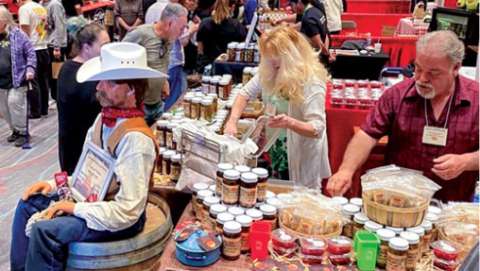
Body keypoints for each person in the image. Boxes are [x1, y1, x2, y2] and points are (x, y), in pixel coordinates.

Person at [10, 42, 166, 271]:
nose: (99, 87)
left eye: (109, 82)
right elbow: (87, 174)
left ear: (132, 89)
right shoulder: (102, 120)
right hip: (97, 199)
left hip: (119, 217)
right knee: (27, 204)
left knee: (46, 232)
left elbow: (127, 212)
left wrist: (75, 209)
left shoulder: (136, 141)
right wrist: (52, 186)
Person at [326, 30, 479, 202]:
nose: (422, 79)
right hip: (399, 201)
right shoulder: (397, 94)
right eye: (418, 68)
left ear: (456, 68)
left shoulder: (476, 99)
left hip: (452, 204)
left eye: (433, 73)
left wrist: (466, 161)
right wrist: (346, 170)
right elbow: (367, 134)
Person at [224, 26, 331, 188]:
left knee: (298, 195)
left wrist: (290, 123)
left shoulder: (312, 82)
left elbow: (317, 128)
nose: (273, 67)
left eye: (278, 64)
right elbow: (244, 94)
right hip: (275, 148)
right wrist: (232, 121)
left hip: (299, 153)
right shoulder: (270, 69)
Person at [57, 23, 110, 175]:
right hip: (78, 146)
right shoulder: (76, 73)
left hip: (84, 144)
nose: (108, 49)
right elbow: (94, 101)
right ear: (86, 48)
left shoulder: (69, 67)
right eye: (104, 45)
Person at [124, 3, 188, 125]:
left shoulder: (170, 38)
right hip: (140, 108)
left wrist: (163, 80)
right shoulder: (140, 34)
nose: (182, 32)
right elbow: (119, 60)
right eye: (181, 28)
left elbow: (162, 61)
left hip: (158, 104)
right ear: (169, 24)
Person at [0, 6, 36, 147]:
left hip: (17, 78)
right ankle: (14, 130)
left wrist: (30, 69)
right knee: (4, 109)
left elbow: (31, 53)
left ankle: (23, 132)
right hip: (1, 81)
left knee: (15, 104)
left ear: (4, 20)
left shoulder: (18, 34)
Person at [17, 0, 50, 118]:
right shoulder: (40, 8)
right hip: (44, 47)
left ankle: (35, 111)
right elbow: (45, 27)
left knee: (32, 81)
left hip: (32, 49)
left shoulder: (24, 9)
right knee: (43, 80)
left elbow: (24, 32)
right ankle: (44, 109)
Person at [196, 0, 246, 73]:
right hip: (229, 68)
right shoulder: (237, 26)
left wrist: (200, 70)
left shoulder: (204, 23)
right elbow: (242, 48)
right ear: (232, 7)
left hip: (207, 68)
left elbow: (200, 51)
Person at [43, 0, 67, 100]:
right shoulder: (43, 4)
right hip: (49, 43)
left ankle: (60, 98)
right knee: (51, 76)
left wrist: (57, 47)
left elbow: (60, 26)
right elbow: (51, 25)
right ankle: (56, 97)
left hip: (55, 45)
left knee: (56, 75)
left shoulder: (55, 4)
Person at [299, 0, 334, 65]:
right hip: (322, 54)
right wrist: (327, 50)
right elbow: (326, 32)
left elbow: (319, 44)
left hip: (315, 59)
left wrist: (327, 54)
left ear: (299, 2)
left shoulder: (308, 18)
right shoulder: (317, 9)